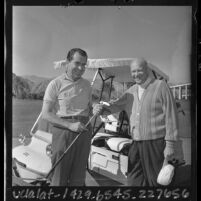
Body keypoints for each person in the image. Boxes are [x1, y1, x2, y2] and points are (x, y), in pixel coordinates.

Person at [93, 58, 179, 186]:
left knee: (156, 181)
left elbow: (171, 116)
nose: (136, 74)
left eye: (139, 70)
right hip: (135, 143)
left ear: (147, 70)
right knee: (134, 180)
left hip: (155, 144)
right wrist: (100, 108)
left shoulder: (161, 86)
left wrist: (170, 145)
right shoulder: (131, 91)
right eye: (133, 71)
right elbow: (114, 106)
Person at [41, 48, 92, 186]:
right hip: (63, 131)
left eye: (84, 64)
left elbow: (89, 109)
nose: (81, 68)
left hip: (84, 131)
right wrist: (70, 125)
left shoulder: (87, 85)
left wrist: (98, 108)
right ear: (67, 62)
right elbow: (46, 114)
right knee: (59, 177)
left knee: (78, 176)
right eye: (77, 63)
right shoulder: (55, 84)